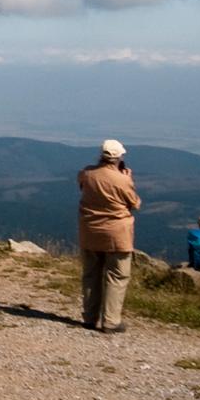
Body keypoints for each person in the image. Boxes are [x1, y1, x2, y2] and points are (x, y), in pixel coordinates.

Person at [78, 138, 140, 332]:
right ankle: (111, 321)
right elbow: (135, 203)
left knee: (91, 274)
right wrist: (128, 179)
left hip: (89, 230)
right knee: (117, 276)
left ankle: (89, 317)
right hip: (116, 234)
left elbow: (83, 183)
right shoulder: (122, 180)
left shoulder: (87, 174)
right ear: (119, 157)